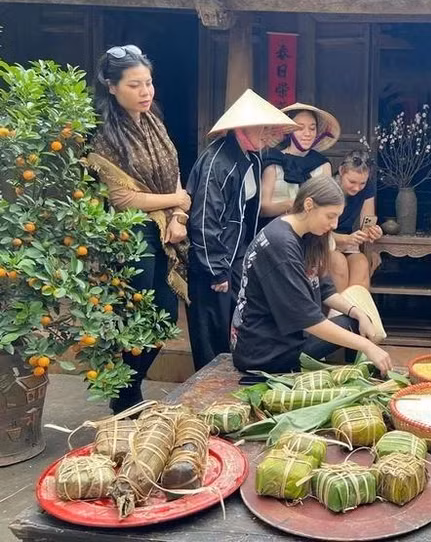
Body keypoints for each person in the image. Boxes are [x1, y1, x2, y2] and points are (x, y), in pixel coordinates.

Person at [88, 44, 190, 413]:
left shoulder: (154, 123)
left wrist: (178, 217)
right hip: (131, 235)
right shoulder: (103, 135)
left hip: (165, 230)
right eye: (135, 85)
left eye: (148, 83)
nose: (145, 92)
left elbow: (176, 178)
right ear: (111, 86)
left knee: (163, 317)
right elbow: (122, 199)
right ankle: (127, 396)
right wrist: (175, 202)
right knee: (136, 317)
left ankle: (128, 390)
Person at [231, 175, 393, 375]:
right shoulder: (280, 243)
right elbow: (308, 319)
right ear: (309, 205)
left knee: (356, 322)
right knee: (359, 337)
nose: (334, 224)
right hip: (264, 351)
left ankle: (358, 369)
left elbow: (325, 290)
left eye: (338, 217)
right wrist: (367, 346)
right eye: (330, 216)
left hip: (289, 336)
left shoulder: (309, 235)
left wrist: (358, 312)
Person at [185, 89, 299, 370]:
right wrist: (217, 270)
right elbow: (204, 220)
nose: (268, 133)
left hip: (236, 255)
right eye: (263, 127)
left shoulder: (251, 158)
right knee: (211, 332)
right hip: (213, 261)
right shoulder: (218, 161)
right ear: (242, 127)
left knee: (235, 327)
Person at [260, 102, 338, 221]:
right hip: (274, 229)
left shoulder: (323, 165)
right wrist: (292, 204)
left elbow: (326, 204)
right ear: (288, 131)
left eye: (312, 128)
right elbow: (262, 208)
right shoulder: (273, 161)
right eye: (300, 128)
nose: (307, 134)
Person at [330, 149, 383, 291]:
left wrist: (372, 231)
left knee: (361, 263)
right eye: (352, 181)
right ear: (341, 171)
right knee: (338, 262)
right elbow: (319, 232)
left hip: (347, 242)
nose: (357, 188)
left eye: (362, 183)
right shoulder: (329, 188)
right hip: (325, 242)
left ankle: (356, 310)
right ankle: (339, 311)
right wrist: (346, 239)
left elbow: (368, 221)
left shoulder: (367, 188)